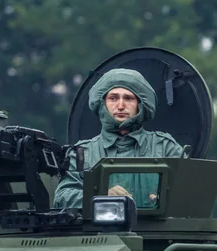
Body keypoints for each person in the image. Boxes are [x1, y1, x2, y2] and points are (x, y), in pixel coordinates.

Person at [53, 68, 183, 209]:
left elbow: (191, 189)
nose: (120, 106)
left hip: (158, 231)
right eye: (113, 98)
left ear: (140, 105)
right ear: (102, 103)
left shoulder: (164, 147)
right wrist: (101, 196)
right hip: (99, 230)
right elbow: (62, 197)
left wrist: (166, 199)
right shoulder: (82, 153)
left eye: (128, 98)